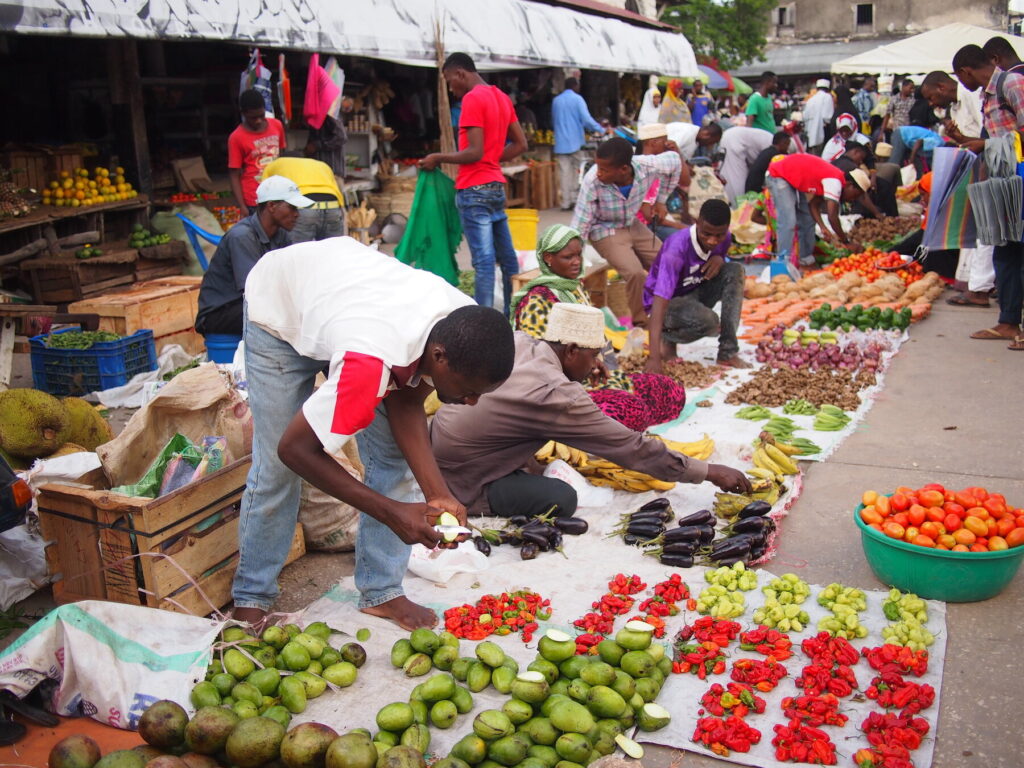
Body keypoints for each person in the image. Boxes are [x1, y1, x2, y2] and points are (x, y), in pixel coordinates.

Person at [231, 240, 516, 630]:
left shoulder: (456, 325)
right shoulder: (371, 361)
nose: (470, 402)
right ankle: (252, 596)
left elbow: (407, 403)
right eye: (469, 390)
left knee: (395, 463)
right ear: (439, 357)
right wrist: (391, 512)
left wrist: (437, 493)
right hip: (281, 308)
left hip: (345, 303)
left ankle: (383, 591)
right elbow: (295, 451)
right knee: (276, 472)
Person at [431, 303, 753, 518]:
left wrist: (579, 373)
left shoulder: (520, 342)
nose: (598, 363)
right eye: (593, 355)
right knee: (563, 498)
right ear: (570, 351)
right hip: (463, 479)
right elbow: (632, 449)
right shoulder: (557, 393)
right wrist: (709, 472)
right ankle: (480, 501)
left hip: (441, 445)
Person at [420, 53, 528, 315]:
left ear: (460, 74)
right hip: (495, 188)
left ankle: (484, 323)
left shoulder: (472, 99)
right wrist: (494, 157)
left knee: (484, 262)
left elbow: (474, 153)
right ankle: (513, 316)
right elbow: (521, 144)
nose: (451, 89)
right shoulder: (501, 97)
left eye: (449, 81)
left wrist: (437, 157)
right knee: (508, 260)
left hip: (474, 189)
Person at [952, 44, 1024, 349]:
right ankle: (1008, 322)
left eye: (959, 77)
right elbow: (999, 137)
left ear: (966, 71)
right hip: (1003, 182)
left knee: (1018, 253)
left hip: (1019, 178)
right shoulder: (988, 96)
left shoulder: (1011, 83)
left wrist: (987, 147)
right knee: (1005, 251)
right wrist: (969, 141)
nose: (962, 83)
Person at [571, 137, 681, 326]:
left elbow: (675, 161)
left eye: (604, 170)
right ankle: (641, 322)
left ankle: (669, 313)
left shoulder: (647, 166)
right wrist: (574, 258)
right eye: (597, 167)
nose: (598, 173)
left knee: (668, 262)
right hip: (604, 228)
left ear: (623, 169)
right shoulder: (592, 182)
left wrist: (661, 199)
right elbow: (581, 223)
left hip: (632, 222)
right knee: (634, 272)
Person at [195, 176, 311, 337]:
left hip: (249, 305)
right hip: (220, 312)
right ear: (271, 205)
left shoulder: (282, 235)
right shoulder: (242, 236)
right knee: (286, 317)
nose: (297, 214)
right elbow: (254, 291)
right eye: (292, 208)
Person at [644, 200, 747, 370]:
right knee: (709, 322)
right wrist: (653, 358)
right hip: (668, 302)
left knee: (735, 270)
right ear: (697, 223)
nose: (713, 241)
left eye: (719, 235)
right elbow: (659, 301)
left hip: (695, 290)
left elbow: (719, 254)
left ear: (727, 228)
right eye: (707, 234)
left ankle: (727, 352)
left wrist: (719, 258)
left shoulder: (725, 239)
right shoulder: (676, 250)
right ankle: (666, 338)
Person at [765, 153, 869, 266]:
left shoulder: (834, 180)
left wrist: (822, 227)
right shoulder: (835, 182)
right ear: (849, 185)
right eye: (854, 195)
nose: (852, 199)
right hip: (780, 174)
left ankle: (805, 258)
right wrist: (846, 242)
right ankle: (782, 262)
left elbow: (813, 205)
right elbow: (832, 217)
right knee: (788, 220)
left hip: (794, 175)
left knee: (807, 218)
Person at [552, 78, 608, 211]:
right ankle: (576, 200)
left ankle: (566, 202)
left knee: (564, 173)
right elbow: (586, 119)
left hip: (560, 142)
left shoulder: (556, 101)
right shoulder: (577, 99)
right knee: (580, 172)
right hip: (575, 142)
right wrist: (601, 129)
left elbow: (554, 120)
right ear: (575, 86)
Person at [228, 89, 287, 212]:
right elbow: (234, 174)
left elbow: (282, 157)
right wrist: (242, 206)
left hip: (278, 194)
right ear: (243, 114)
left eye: (261, 115)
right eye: (253, 118)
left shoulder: (277, 125)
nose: (258, 121)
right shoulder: (236, 137)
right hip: (254, 200)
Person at [262, 157, 345, 242]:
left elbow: (265, 192)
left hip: (304, 207)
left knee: (298, 252)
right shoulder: (322, 165)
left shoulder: (275, 164)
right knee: (334, 252)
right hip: (333, 208)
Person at [919, 71, 983, 147]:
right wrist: (959, 138)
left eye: (930, 98)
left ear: (941, 87)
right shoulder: (953, 109)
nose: (930, 103)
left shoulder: (971, 94)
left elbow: (990, 139)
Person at [718, 126, 777, 203]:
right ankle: (738, 207)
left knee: (730, 176)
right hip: (734, 141)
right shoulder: (771, 146)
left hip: (731, 137)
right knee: (737, 180)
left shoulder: (770, 139)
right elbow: (758, 169)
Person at [745, 131, 792, 196]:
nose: (788, 148)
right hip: (757, 190)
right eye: (787, 144)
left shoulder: (767, 151)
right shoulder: (775, 156)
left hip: (751, 187)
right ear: (782, 143)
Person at [803, 79, 834, 153]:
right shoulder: (827, 97)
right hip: (822, 131)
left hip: (810, 132)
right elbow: (827, 117)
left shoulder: (811, 99)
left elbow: (805, 116)